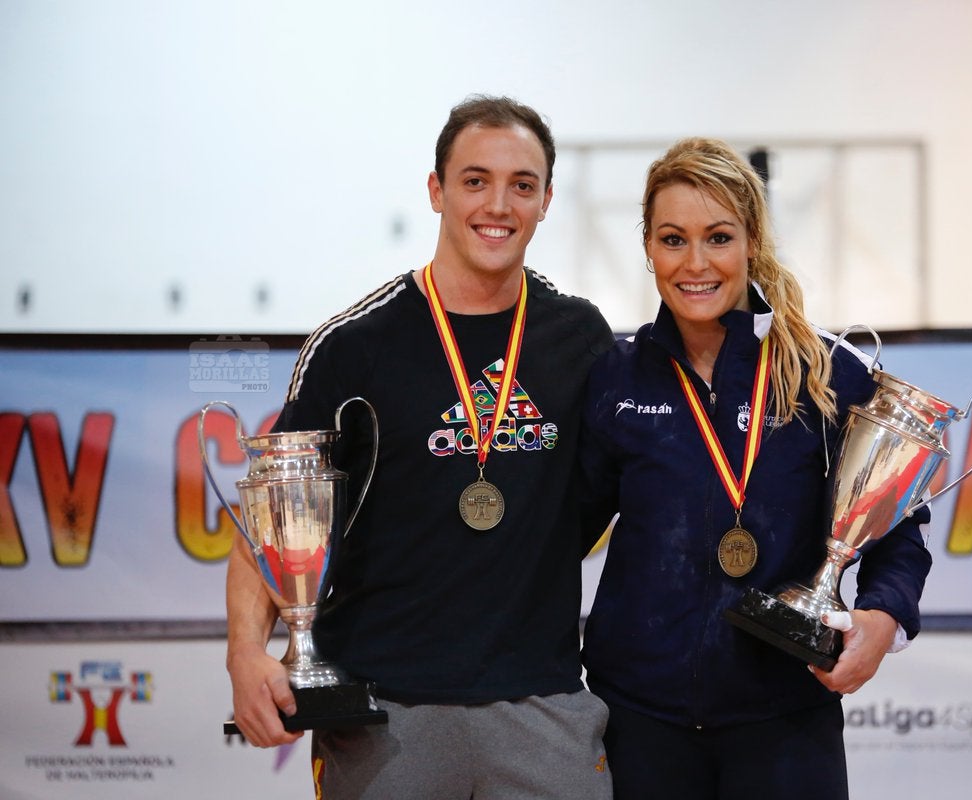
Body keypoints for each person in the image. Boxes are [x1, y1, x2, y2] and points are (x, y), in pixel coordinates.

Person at [225, 95, 614, 799]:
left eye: (522, 184)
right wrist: (244, 651)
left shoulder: (581, 339)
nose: (498, 204)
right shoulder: (354, 347)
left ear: (547, 199)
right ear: (436, 190)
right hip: (387, 715)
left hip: (543, 704)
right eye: (474, 180)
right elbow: (273, 512)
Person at [579, 138, 933, 799]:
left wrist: (882, 621)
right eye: (672, 239)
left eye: (718, 237)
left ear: (751, 241)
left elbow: (898, 530)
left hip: (786, 721)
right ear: (649, 248)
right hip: (640, 722)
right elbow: (561, 532)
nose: (695, 263)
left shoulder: (826, 373)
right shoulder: (615, 376)